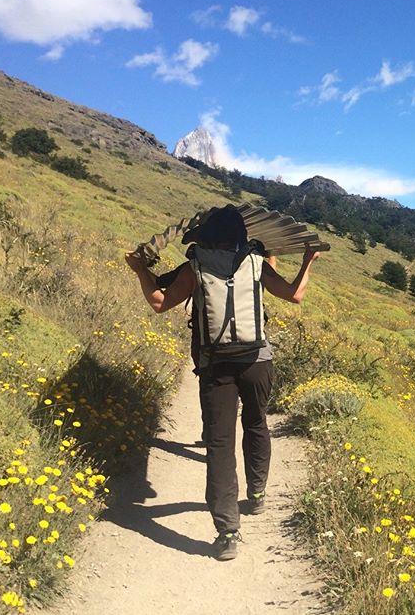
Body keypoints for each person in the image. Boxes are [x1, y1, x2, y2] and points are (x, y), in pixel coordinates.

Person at [124, 206, 319, 561]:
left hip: (215, 366)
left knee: (219, 444)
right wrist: (308, 260)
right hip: (258, 361)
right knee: (257, 423)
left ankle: (228, 532)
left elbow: (158, 303)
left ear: (205, 235)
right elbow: (295, 295)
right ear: (242, 235)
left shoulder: (194, 267)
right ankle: (257, 495)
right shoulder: (257, 263)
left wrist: (140, 271)